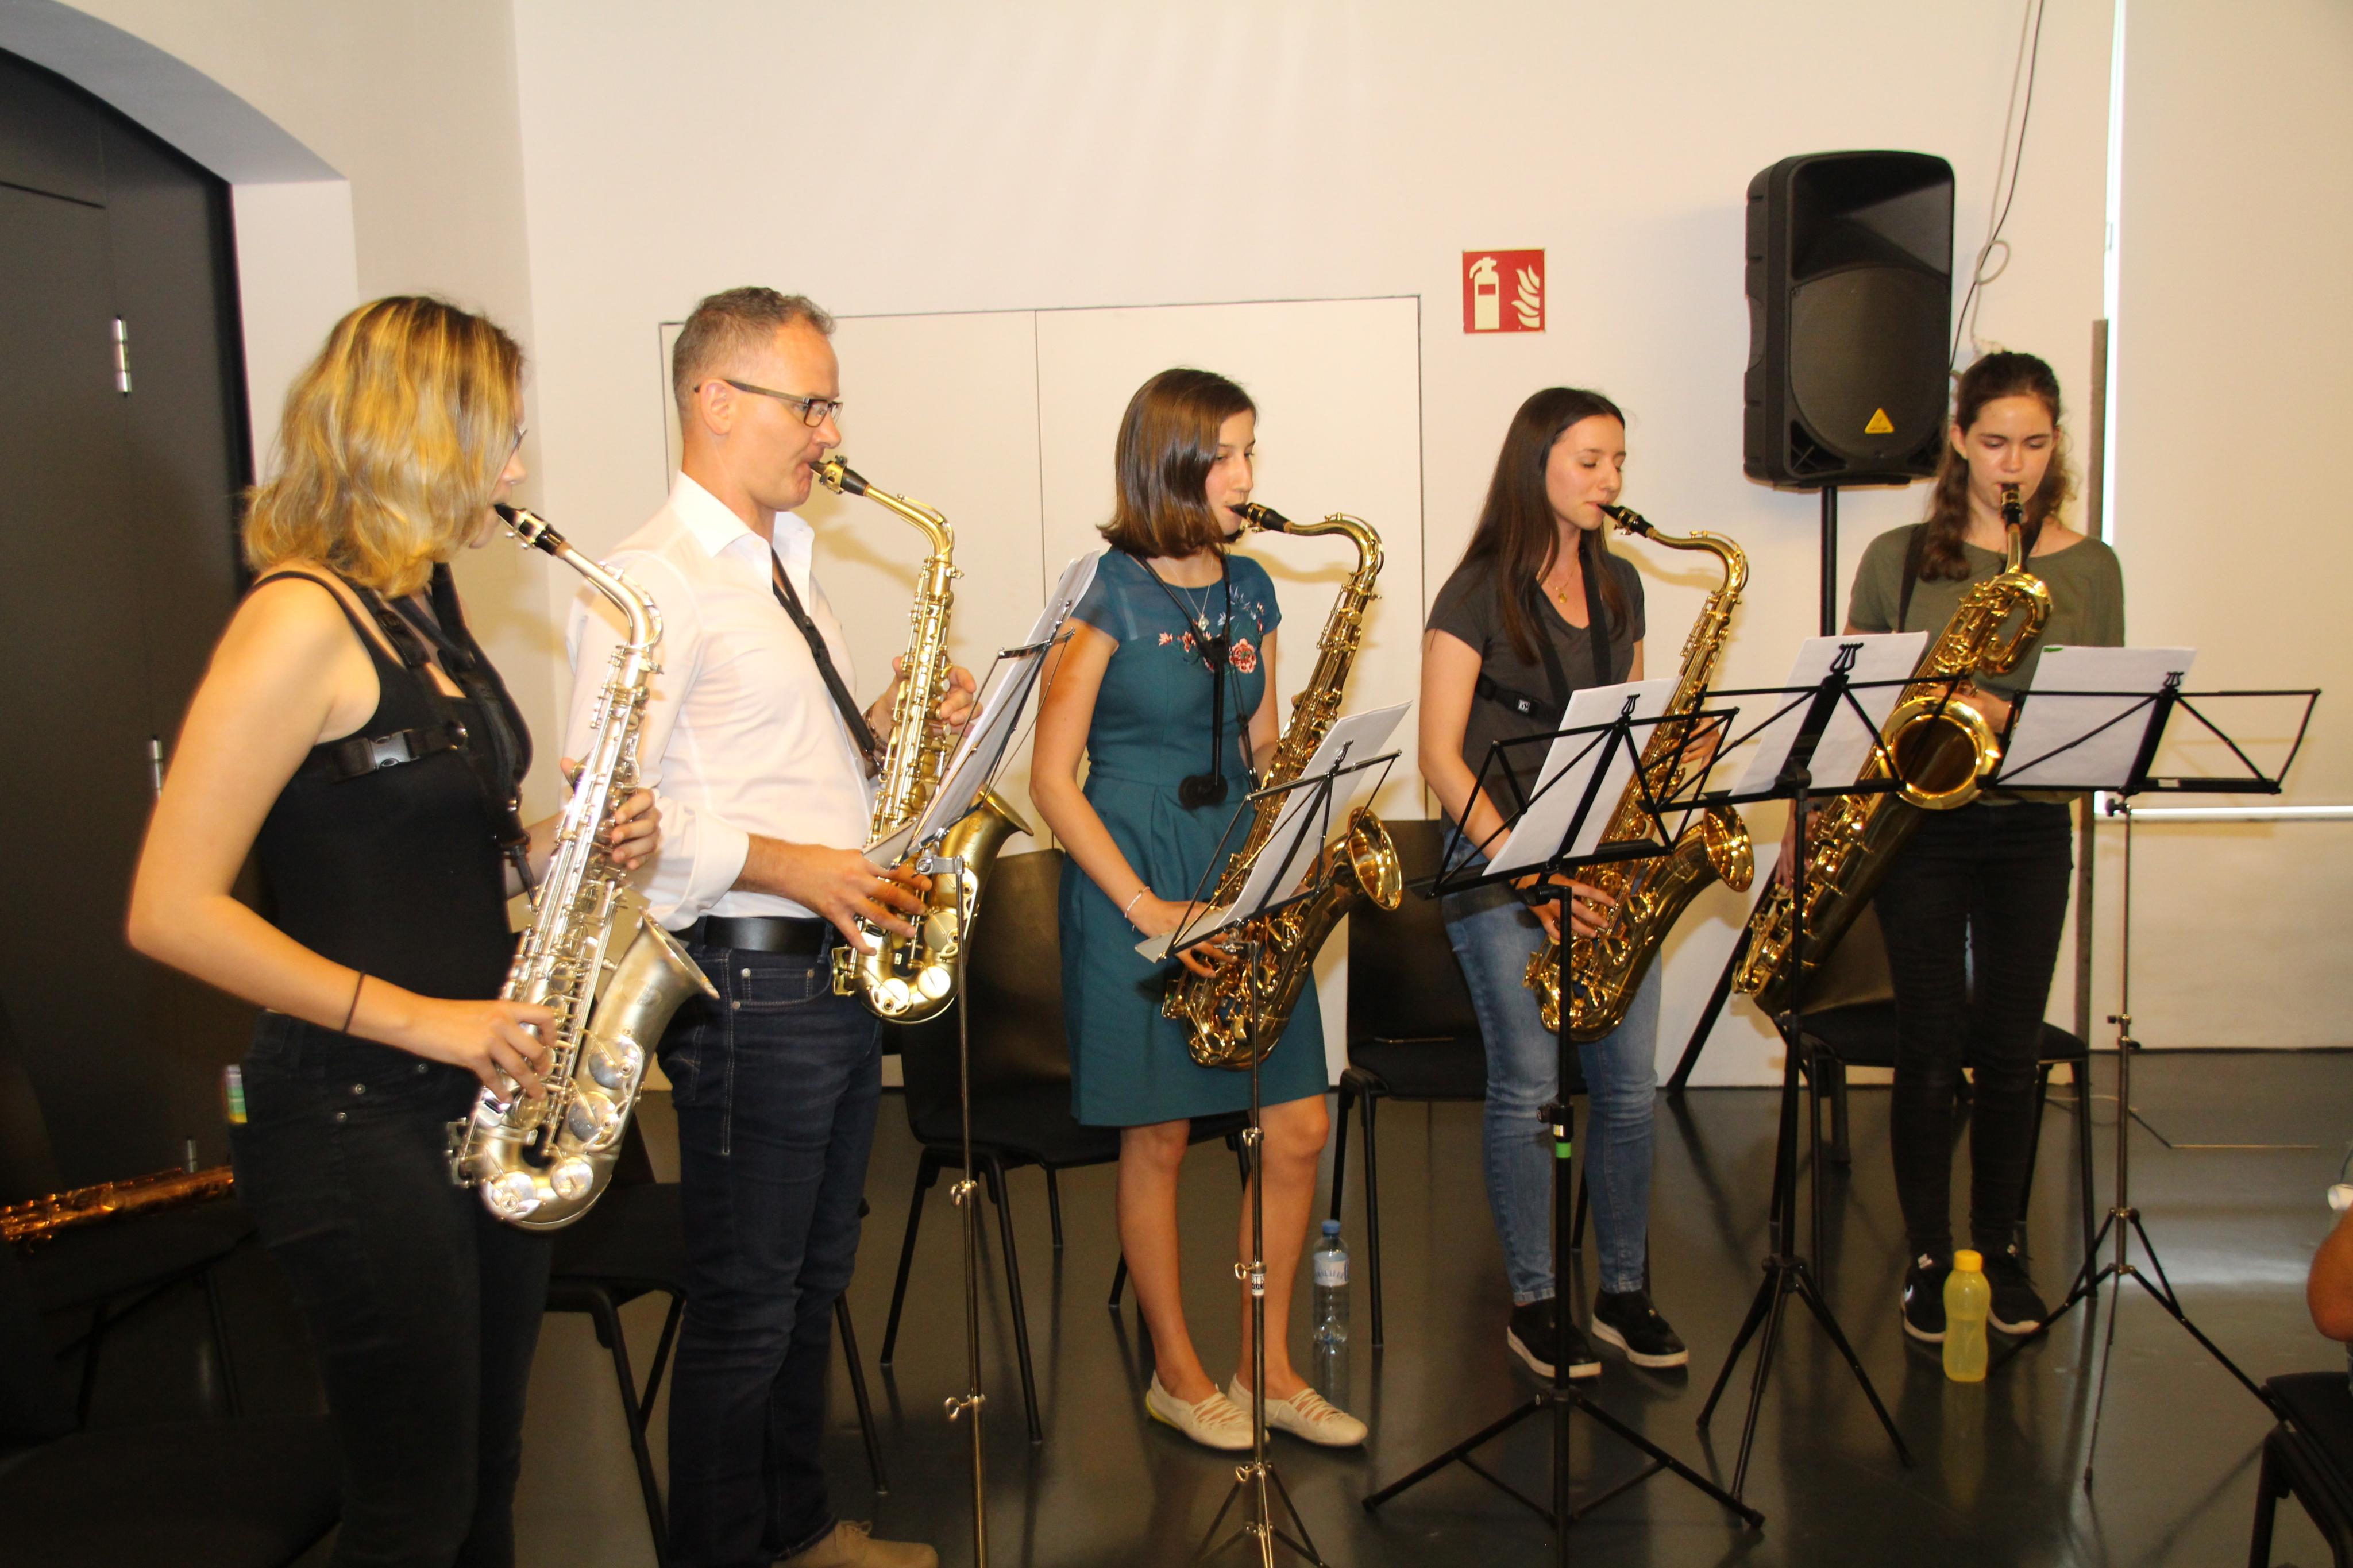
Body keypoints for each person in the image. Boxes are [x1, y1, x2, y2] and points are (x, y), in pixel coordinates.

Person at [127, 295, 659, 1568]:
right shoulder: (297, 619)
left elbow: (415, 854)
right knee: (412, 1505)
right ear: (417, 437)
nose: (515, 472)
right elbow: (169, 908)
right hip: (352, 1110)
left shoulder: (421, 608)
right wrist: (431, 1022)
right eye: (500, 439)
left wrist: (566, 841)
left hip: (476, 1095)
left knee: (485, 1472)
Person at [565, 287, 965, 1568]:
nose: (829, 433)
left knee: (811, 1284)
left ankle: (797, 1534)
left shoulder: (786, 562)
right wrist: (796, 866)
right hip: (749, 986)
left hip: (827, 978)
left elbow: (781, 765)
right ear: (716, 400)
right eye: (811, 404)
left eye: (831, 405)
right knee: (744, 1311)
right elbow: (610, 820)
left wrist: (896, 724)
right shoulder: (650, 584)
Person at [1031, 367, 1367, 1451]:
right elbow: (1051, 779)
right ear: (1170, 464)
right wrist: (1149, 908)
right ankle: (1177, 1373)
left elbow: (1262, 745)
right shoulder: (1105, 592)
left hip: (1237, 869)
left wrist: (1303, 821)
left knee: (1300, 1123)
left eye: (1251, 451)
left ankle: (1265, 1367)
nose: (1247, 474)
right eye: (1226, 455)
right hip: (1132, 876)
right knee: (1161, 1135)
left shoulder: (1254, 586)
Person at [1840, 349, 2124, 1345]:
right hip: (1922, 824)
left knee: (2011, 1049)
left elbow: (2101, 711)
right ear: (1959, 440)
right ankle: (1928, 1255)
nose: (2015, 464)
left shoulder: (2090, 567)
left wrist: (2012, 708)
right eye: (1996, 441)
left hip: (2033, 823)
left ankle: (2000, 1249)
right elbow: (1855, 700)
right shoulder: (1897, 557)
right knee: (1928, 1044)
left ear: (2057, 446)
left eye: (2035, 444)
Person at [1418, 385, 1689, 1381]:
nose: (1610, 480)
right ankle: (1536, 1300)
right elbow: (1440, 756)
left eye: (1618, 461)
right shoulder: (1474, 592)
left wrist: (1671, 758)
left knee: (1628, 1090)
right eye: (1589, 460)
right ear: (1537, 465)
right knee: (1532, 1088)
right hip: (1500, 874)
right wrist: (1531, 873)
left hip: (1600, 865)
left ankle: (1623, 1290)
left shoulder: (1621, 586)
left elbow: (1631, 730)